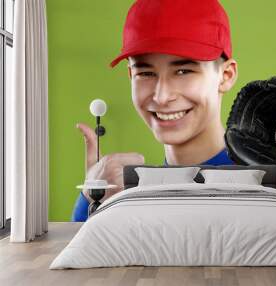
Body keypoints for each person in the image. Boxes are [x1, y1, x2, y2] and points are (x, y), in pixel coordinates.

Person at [72, 0, 238, 222]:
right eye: (146, 73)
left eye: (183, 71)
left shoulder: (267, 182)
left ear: (225, 76)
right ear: (131, 76)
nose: (161, 96)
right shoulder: (125, 194)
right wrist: (92, 197)